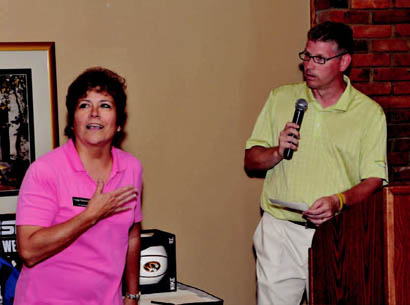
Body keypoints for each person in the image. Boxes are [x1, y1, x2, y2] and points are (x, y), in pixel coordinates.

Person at [244, 21, 388, 305]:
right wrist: (276, 151)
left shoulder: (369, 114)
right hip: (279, 231)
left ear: (344, 62)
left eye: (320, 59)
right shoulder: (281, 98)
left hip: (336, 235)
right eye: (307, 56)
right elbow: (251, 160)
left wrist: (339, 200)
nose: (309, 65)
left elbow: (373, 180)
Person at [14, 67, 143, 305]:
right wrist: (89, 216)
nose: (94, 113)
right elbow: (29, 251)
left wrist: (132, 295)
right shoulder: (45, 171)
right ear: (73, 121)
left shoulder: (132, 168)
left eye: (105, 105)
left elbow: (132, 234)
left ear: (118, 123)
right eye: (84, 105)